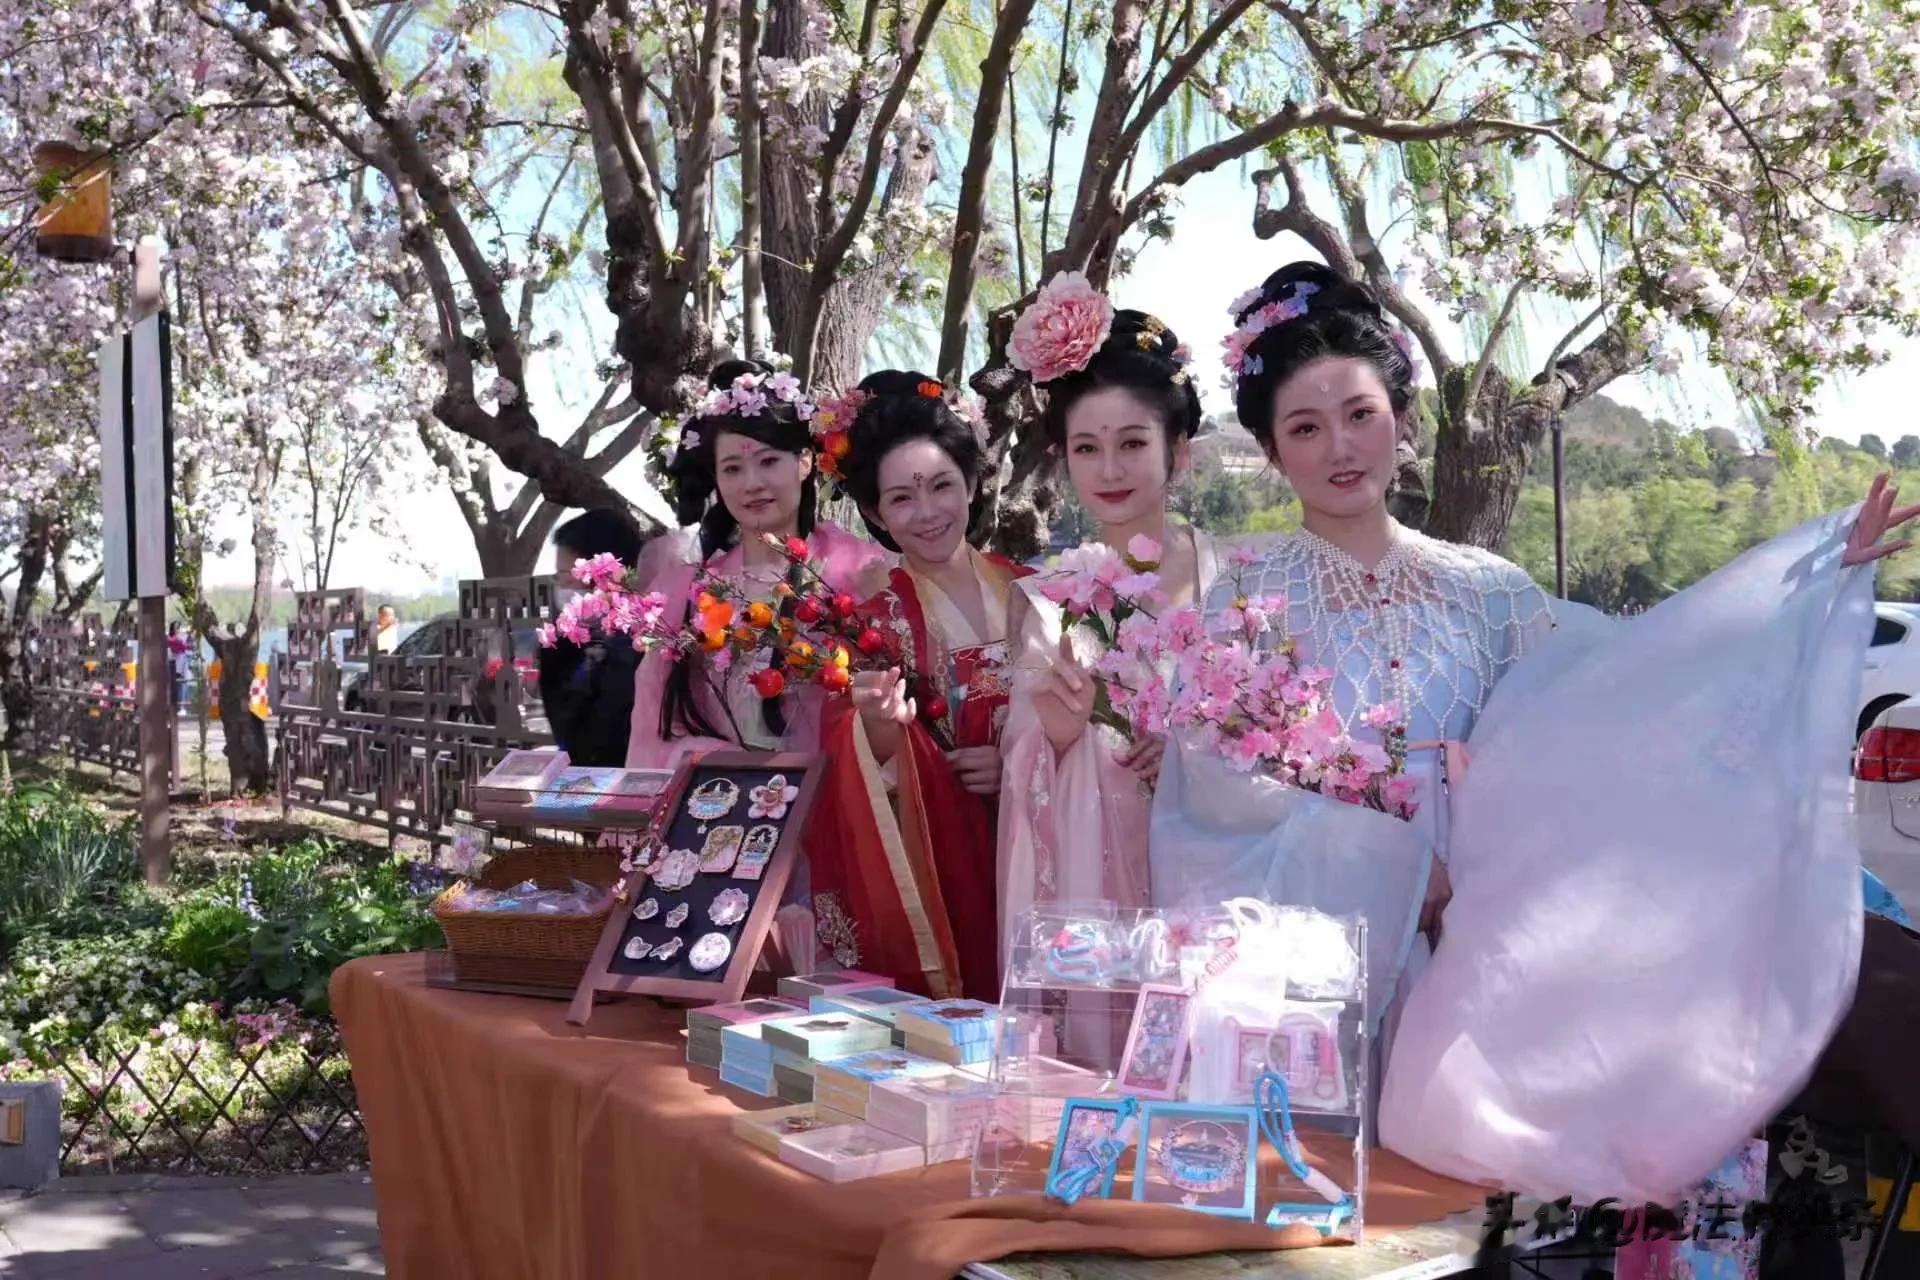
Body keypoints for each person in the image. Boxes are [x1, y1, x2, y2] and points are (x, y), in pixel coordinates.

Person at [1151, 259, 1915, 1204]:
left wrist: (1805, 584)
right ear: (1270, 449)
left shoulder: (1488, 591)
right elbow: (1218, 786)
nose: (1340, 447)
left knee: (1472, 1208)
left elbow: (1625, 690)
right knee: (1324, 1211)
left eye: (1361, 414)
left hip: (1482, 928)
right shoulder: (1242, 598)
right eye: (1305, 428)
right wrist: (1393, 864)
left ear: (1403, 418)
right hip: (1327, 933)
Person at [996, 278, 1220, 956]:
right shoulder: (1048, 600)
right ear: (1064, 459)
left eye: (1132, 443)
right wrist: (1060, 738)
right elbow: (1023, 771)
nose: (1110, 469)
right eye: (1087, 448)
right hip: (1102, 879)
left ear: (1178, 450)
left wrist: (1190, 755)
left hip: (1220, 874)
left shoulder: (1237, 579)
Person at [803, 371, 1032, 999]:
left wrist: (1018, 762)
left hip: (1045, 840)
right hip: (951, 855)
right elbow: (852, 752)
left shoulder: (1036, 591)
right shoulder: (869, 623)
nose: (927, 513)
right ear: (876, 513)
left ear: (972, 483)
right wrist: (881, 726)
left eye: (941, 485)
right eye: (902, 498)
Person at [624, 359, 889, 769]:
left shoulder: (858, 574)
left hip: (838, 794)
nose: (752, 484)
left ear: (804, 461)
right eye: (732, 468)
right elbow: (653, 732)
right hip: (721, 799)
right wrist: (721, 762)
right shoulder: (688, 592)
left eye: (768, 461)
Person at [538, 509, 647, 766]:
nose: (563, 588)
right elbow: (564, 728)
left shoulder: (648, 642)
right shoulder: (560, 646)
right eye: (560, 576)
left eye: (570, 576)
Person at [166, 621, 191, 713]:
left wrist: (186, 645)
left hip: (182, 664)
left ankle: (182, 707)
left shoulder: (183, 637)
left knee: (182, 684)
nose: (178, 630)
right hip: (174, 664)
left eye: (178, 628)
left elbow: (189, 647)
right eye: (176, 628)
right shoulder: (171, 638)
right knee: (175, 686)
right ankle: (175, 707)